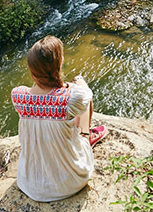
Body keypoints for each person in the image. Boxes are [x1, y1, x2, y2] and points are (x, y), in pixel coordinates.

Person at [11, 35, 108, 202]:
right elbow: (86, 95)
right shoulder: (71, 97)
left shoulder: (18, 95)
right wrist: (78, 81)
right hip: (70, 182)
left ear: (32, 70)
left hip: (29, 183)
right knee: (84, 95)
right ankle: (85, 135)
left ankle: (80, 137)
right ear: (59, 63)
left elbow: (42, 99)